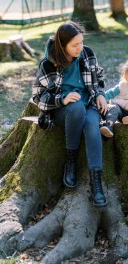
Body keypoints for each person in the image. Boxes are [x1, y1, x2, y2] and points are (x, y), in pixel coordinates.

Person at [32, 21, 108, 207]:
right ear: (62, 45)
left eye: (81, 42)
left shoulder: (87, 54)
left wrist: (100, 95)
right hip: (63, 111)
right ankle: (71, 162)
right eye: (75, 45)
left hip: (88, 104)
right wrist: (62, 99)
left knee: (92, 126)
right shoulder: (49, 64)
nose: (80, 48)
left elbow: (99, 80)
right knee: (76, 108)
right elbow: (37, 97)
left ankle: (96, 183)